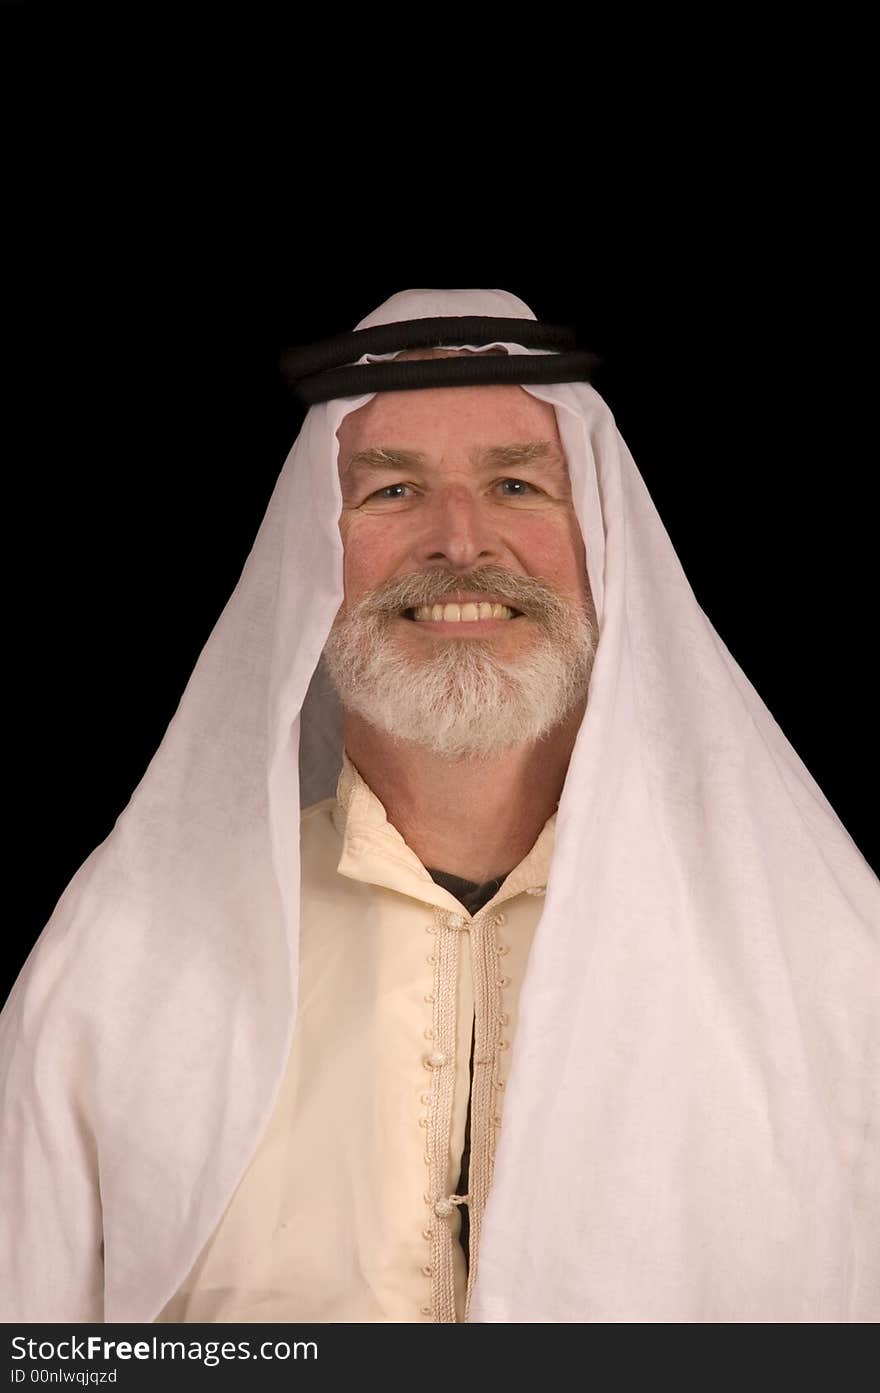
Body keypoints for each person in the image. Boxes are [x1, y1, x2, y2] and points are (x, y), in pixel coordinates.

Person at [1, 289, 877, 1325]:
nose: (460, 542)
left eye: (515, 483)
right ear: (311, 560)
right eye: (391, 492)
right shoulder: (122, 965)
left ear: (600, 541)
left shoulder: (820, 960)